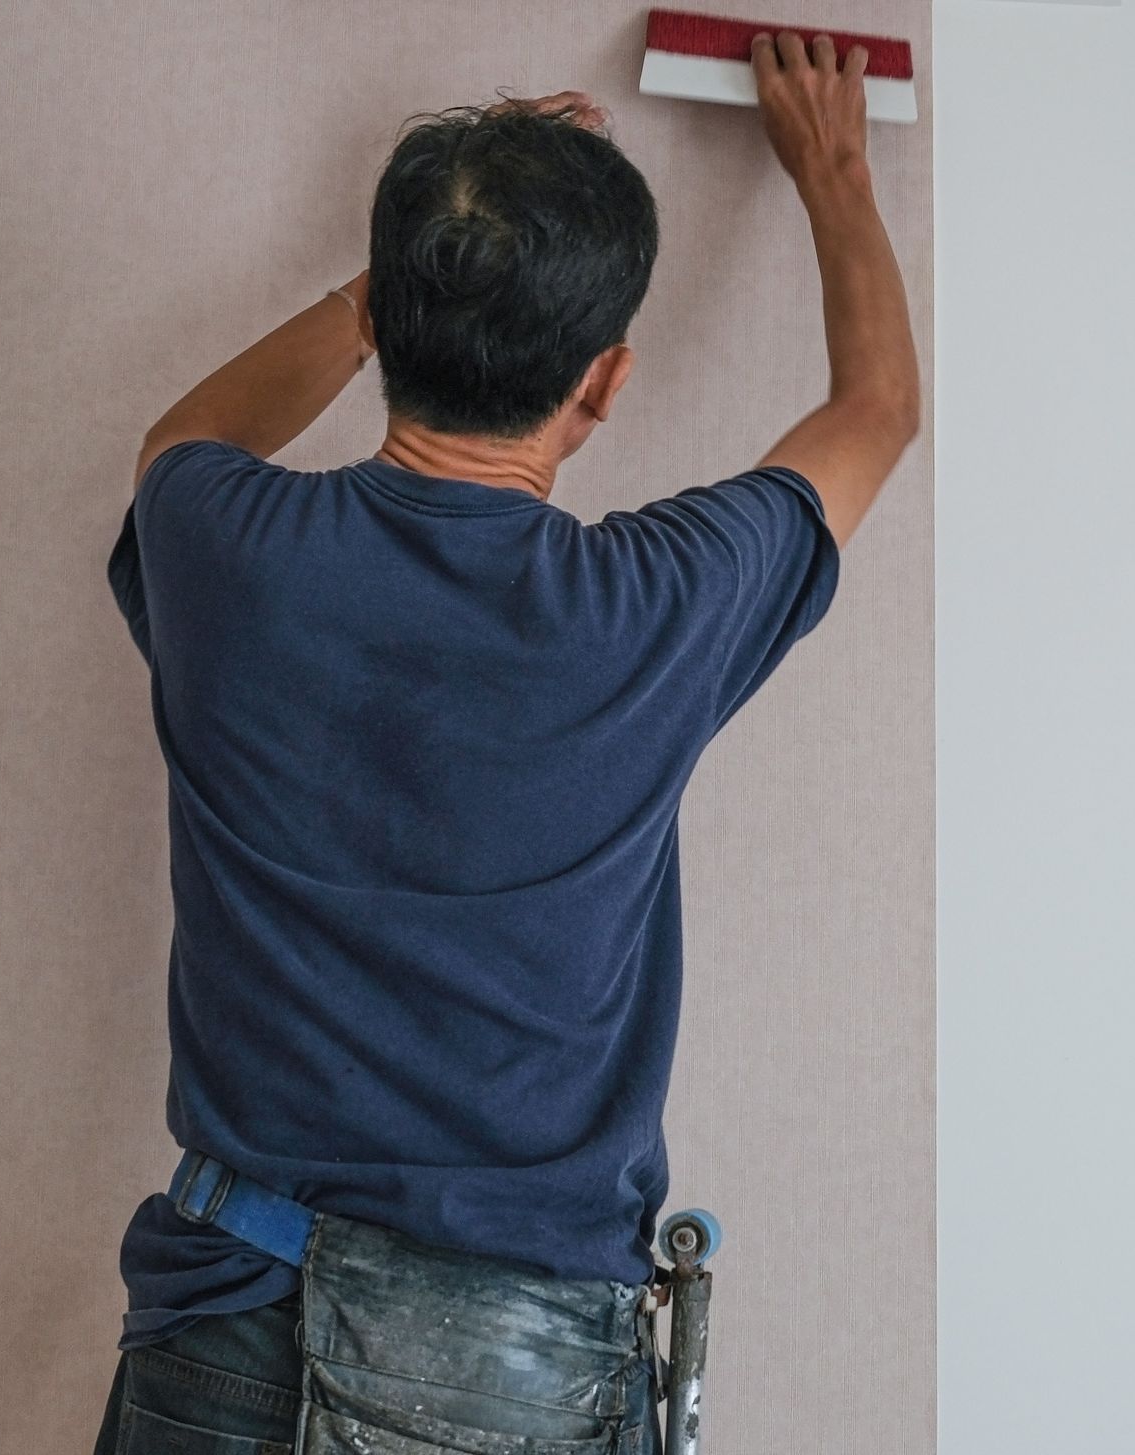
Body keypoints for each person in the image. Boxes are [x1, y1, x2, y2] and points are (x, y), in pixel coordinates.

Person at [92, 30, 919, 1455]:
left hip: (222, 1316)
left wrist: (416, 267)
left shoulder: (217, 542)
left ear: (396, 328)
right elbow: (874, 415)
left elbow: (189, 429)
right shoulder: (652, 607)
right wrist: (834, 169)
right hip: (508, 1370)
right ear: (604, 382)